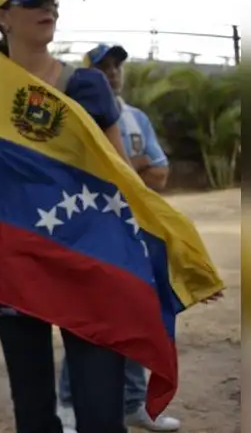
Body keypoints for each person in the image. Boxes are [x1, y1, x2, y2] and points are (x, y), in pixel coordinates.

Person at [0, 0, 134, 433]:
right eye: (34, 1)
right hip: (13, 265)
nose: (48, 8)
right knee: (33, 415)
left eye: (53, 0)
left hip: (86, 261)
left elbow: (123, 177)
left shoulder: (88, 86)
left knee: (101, 415)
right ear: (2, 17)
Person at [56, 43, 178, 431]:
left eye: (117, 66)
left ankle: (132, 403)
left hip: (133, 231)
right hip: (88, 233)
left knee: (135, 315)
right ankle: (68, 403)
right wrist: (128, 170)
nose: (112, 73)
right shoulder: (72, 114)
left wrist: (122, 171)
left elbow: (159, 174)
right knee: (85, 320)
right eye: (103, 67)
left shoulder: (138, 118)